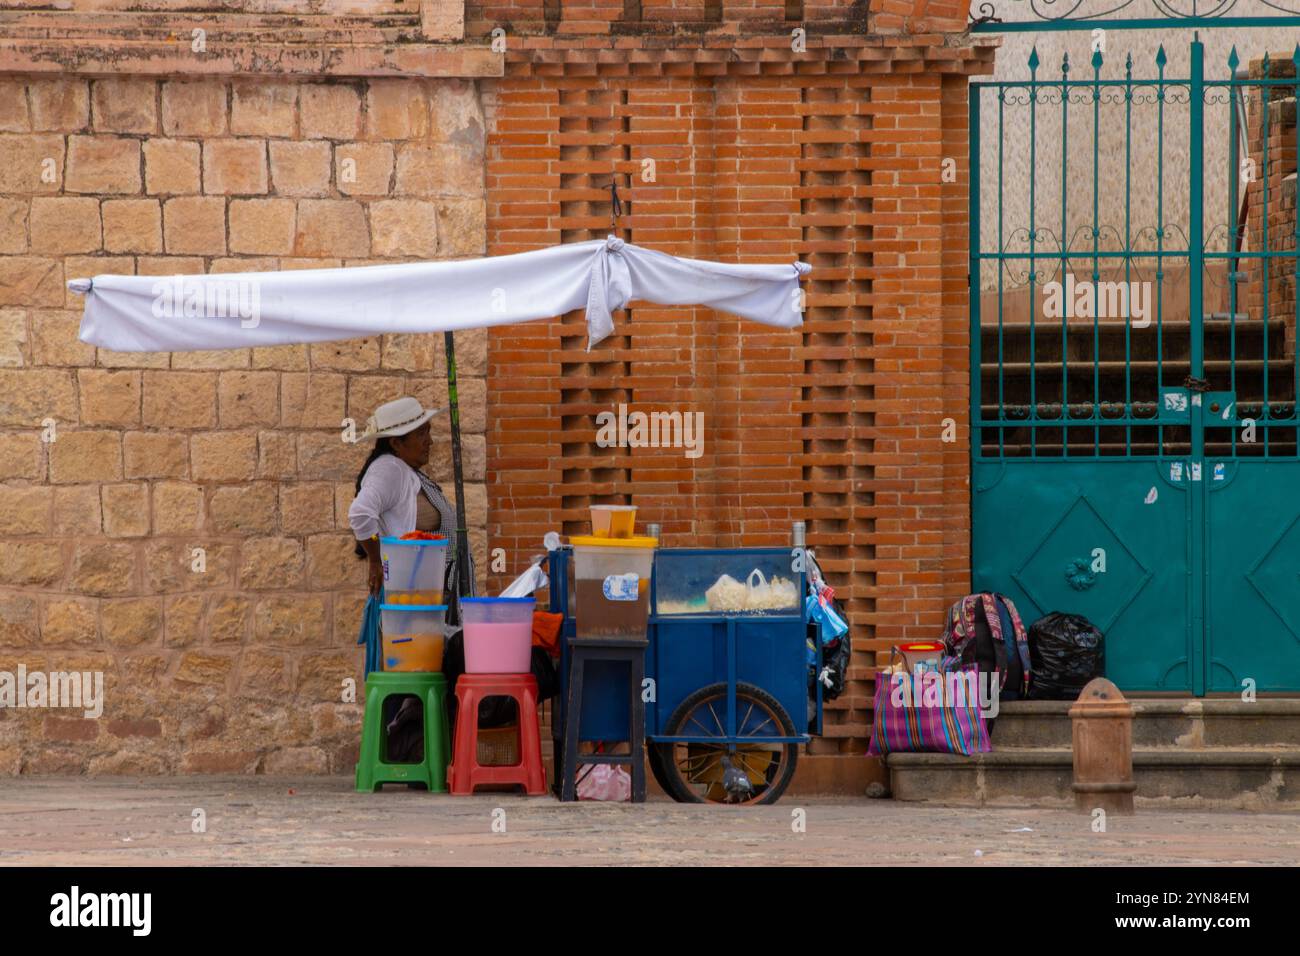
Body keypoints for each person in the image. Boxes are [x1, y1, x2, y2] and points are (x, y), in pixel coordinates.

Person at [348, 396, 463, 613]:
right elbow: (360, 513)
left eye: (428, 431)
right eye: (421, 434)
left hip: (427, 597)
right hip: (411, 600)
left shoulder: (406, 470)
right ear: (396, 443)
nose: (429, 441)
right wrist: (375, 560)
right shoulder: (390, 469)